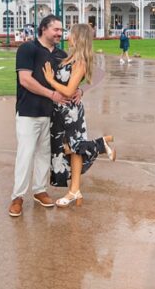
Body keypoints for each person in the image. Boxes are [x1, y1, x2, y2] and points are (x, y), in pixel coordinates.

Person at [42, 23, 116, 208]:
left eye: (70, 33)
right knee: (69, 149)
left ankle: (75, 189)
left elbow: (68, 91)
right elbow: (72, 88)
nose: (67, 36)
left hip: (71, 113)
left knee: (74, 148)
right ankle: (99, 146)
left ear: (78, 37)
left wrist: (51, 80)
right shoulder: (69, 58)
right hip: (60, 111)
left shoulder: (80, 62)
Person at [10, 15, 67, 217]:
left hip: (51, 114)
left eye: (61, 30)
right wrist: (51, 94)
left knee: (44, 153)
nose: (60, 33)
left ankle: (39, 190)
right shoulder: (28, 49)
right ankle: (17, 197)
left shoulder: (61, 54)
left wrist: (79, 91)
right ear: (44, 29)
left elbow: (70, 81)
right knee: (25, 154)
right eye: (56, 30)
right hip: (28, 111)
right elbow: (25, 80)